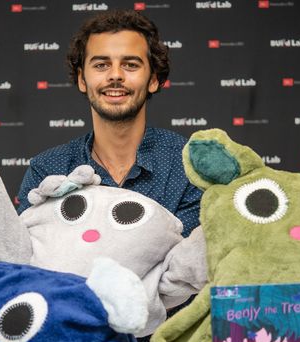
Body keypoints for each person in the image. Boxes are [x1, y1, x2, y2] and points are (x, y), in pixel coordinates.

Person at [16, 9, 201, 236]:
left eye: (130, 65)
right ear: (82, 79)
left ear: (153, 79)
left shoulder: (188, 168)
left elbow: (187, 263)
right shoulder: (46, 170)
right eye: (101, 65)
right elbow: (30, 261)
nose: (115, 75)